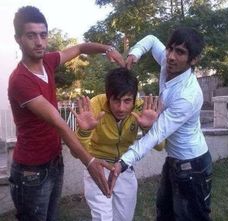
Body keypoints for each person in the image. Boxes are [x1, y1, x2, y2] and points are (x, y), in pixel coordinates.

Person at [8, 5, 126, 221]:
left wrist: (107, 48)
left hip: (53, 161)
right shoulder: (20, 81)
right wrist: (89, 162)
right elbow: (58, 123)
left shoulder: (48, 62)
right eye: (31, 35)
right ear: (18, 39)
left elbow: (80, 48)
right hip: (31, 171)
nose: (39, 42)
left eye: (43, 35)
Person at [109, 27, 213, 221]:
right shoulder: (168, 62)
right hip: (174, 160)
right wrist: (135, 53)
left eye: (180, 52)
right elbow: (150, 39)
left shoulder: (188, 96)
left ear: (194, 59)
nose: (171, 57)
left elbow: (157, 133)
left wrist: (124, 162)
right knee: (164, 213)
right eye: (170, 48)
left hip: (192, 166)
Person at [70, 67, 164, 221]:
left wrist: (149, 128)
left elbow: (160, 146)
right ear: (108, 97)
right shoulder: (94, 105)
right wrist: (84, 132)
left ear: (134, 99)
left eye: (127, 101)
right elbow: (76, 153)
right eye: (115, 100)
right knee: (103, 218)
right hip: (98, 168)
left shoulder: (142, 107)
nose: (121, 108)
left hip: (125, 168)